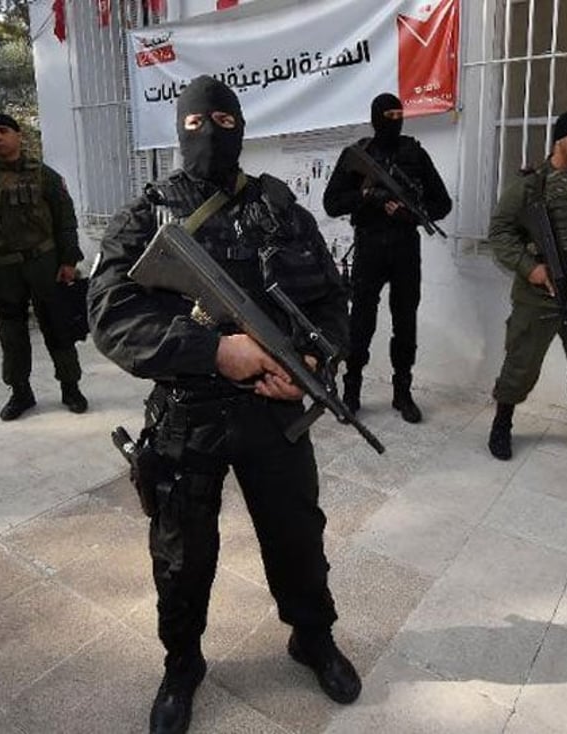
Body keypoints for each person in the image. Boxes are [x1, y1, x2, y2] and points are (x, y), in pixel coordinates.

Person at [89, 76, 361, 734]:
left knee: (297, 539)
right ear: (177, 128)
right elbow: (109, 315)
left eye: (221, 118)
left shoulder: (279, 208)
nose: (208, 132)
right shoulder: (146, 215)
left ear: (240, 125)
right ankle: (181, 663)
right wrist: (212, 352)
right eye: (193, 122)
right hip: (189, 415)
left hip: (274, 413)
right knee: (182, 556)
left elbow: (328, 298)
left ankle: (310, 638)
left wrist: (313, 364)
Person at [486, 109, 567, 464]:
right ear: (560, 139)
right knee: (521, 363)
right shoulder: (531, 184)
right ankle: (502, 424)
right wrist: (531, 269)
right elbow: (499, 231)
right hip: (539, 295)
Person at [323, 93, 451, 423]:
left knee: (405, 323)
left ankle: (402, 393)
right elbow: (332, 203)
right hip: (369, 247)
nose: (395, 120)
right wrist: (368, 197)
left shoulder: (414, 153)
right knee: (361, 322)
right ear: (375, 117)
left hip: (406, 248)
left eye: (399, 113)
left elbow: (442, 204)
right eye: (388, 114)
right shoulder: (358, 155)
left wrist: (409, 214)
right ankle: (351, 391)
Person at [0, 112, 88, 420]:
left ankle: (70, 387)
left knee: (58, 326)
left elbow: (65, 220)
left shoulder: (44, 174)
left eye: (3, 130)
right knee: (12, 334)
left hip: (44, 263)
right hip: (3, 269)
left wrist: (69, 261)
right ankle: (20, 393)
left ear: (18, 136)